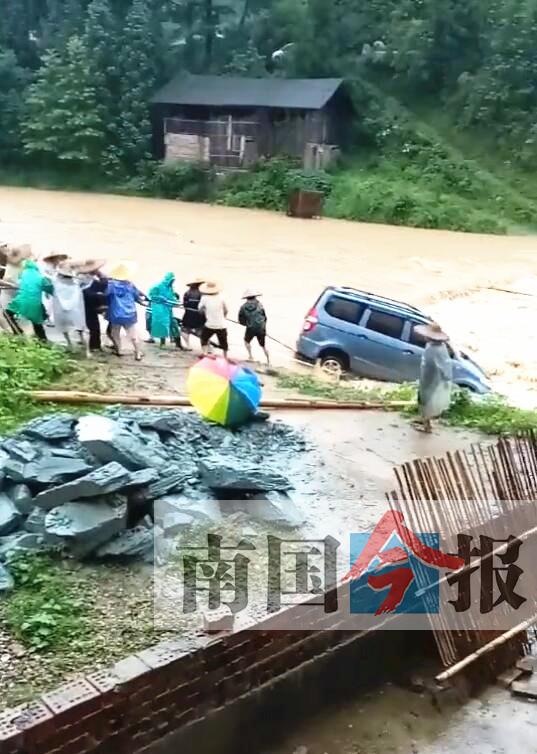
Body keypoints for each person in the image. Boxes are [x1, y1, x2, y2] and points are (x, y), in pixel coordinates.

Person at [415, 322, 453, 433]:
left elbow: (435, 366)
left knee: (427, 400)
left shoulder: (434, 349)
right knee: (424, 399)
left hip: (432, 378)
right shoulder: (438, 346)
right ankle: (424, 420)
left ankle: (427, 426)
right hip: (431, 377)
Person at [106, 261, 146, 361]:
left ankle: (119, 350)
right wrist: (142, 302)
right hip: (129, 313)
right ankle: (137, 353)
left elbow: (106, 296)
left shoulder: (110, 285)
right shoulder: (130, 286)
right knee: (133, 335)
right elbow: (137, 297)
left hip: (115, 313)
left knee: (115, 333)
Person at [5, 259, 53, 341]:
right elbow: (50, 288)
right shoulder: (40, 277)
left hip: (21, 301)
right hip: (34, 304)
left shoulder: (23, 274)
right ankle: (43, 341)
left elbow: (19, 283)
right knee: (37, 324)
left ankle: (17, 331)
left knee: (7, 313)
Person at [51, 261, 89, 356]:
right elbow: (88, 281)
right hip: (75, 312)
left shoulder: (56, 284)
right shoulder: (76, 285)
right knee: (81, 331)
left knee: (64, 329)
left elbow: (50, 277)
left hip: (62, 312)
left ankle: (70, 344)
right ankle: (87, 351)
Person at [73, 258, 108, 352]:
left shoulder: (87, 278)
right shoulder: (85, 279)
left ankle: (92, 344)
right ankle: (94, 346)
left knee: (92, 326)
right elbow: (101, 285)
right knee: (93, 326)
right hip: (85, 305)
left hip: (86, 304)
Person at [0, 245, 32, 334]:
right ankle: (14, 332)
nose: (6, 248)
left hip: (13, 290)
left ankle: (15, 332)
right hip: (9, 290)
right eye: (3, 246)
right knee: (6, 314)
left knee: (7, 314)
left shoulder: (21, 264)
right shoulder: (9, 262)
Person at [147, 272, 181, 348]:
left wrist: (176, 302)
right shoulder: (158, 286)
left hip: (168, 309)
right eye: (172, 280)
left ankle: (178, 344)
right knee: (162, 325)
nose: (173, 282)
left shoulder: (170, 288)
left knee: (174, 325)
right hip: (160, 310)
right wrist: (162, 299)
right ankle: (162, 343)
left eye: (173, 280)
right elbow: (152, 296)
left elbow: (172, 298)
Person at [238, 289, 270, 365]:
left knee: (246, 341)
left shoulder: (243, 307)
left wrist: (246, 324)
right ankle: (268, 361)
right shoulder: (260, 305)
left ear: (246, 298)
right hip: (261, 328)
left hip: (250, 328)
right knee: (263, 345)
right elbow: (265, 317)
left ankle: (250, 356)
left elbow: (240, 319)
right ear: (255, 297)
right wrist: (264, 328)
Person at [199, 281, 228, 358]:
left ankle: (205, 353)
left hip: (209, 324)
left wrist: (205, 312)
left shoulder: (204, 298)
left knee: (203, 338)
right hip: (221, 325)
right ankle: (225, 356)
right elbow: (226, 310)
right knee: (224, 342)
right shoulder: (222, 297)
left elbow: (200, 310)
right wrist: (224, 317)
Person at [40, 252, 69, 325]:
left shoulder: (58, 267)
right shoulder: (47, 267)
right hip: (48, 287)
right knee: (48, 303)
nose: (58, 260)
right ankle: (49, 318)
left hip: (56, 287)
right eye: (57, 258)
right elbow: (44, 277)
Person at [181, 277, 205, 350]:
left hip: (188, 313)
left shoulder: (187, 293)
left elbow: (185, 304)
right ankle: (205, 348)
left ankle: (188, 345)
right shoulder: (203, 294)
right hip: (199, 315)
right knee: (202, 331)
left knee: (185, 329)